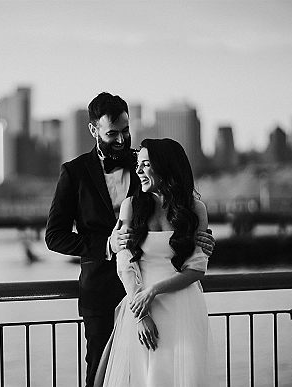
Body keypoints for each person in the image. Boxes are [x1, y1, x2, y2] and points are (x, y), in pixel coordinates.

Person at [45, 92, 216, 387]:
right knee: (99, 377)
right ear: (93, 130)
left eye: (126, 131)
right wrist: (106, 246)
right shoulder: (74, 173)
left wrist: (203, 238)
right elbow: (54, 236)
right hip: (101, 291)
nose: (122, 141)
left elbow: (176, 213)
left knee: (156, 373)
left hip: (159, 293)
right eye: (113, 133)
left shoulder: (148, 163)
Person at [94, 138, 219, 386]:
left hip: (183, 307)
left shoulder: (196, 209)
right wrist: (141, 314)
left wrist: (153, 291)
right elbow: (125, 265)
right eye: (138, 164)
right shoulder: (131, 207)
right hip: (140, 307)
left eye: (146, 164)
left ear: (165, 168)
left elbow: (196, 268)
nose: (138, 171)